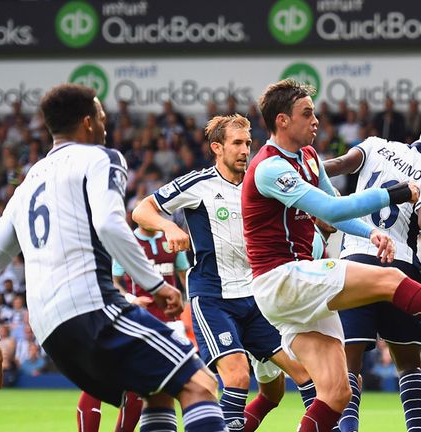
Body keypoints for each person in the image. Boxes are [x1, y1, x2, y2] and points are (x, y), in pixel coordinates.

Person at [242, 79, 421, 432]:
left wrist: (371, 231)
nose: (316, 120)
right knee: (392, 281)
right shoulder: (269, 167)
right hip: (281, 278)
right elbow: (330, 209)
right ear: (282, 121)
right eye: (307, 114)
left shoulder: (308, 157)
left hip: (299, 286)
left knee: (336, 393)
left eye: (315, 113)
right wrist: (393, 194)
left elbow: (336, 206)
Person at [0, 84, 226, 432]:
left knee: (156, 391)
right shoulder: (100, 157)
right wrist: (155, 285)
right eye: (100, 114)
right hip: (93, 311)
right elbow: (110, 224)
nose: (105, 121)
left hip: (52, 333)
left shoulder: (26, 185)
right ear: (87, 122)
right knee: (199, 382)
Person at [132, 113, 315, 432]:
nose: (245, 150)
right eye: (237, 143)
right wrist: (167, 227)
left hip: (256, 297)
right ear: (217, 147)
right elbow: (141, 210)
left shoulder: (258, 183)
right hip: (213, 297)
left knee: (305, 374)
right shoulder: (197, 184)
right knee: (237, 376)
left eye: (248, 143)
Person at [322, 107, 421, 431]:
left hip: (355, 263)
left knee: (350, 362)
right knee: (408, 364)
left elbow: (333, 167)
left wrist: (302, 184)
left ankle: (348, 428)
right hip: (399, 269)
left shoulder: (375, 145)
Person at [76, 226, 191, 432]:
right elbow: (113, 282)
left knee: (148, 390)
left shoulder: (170, 238)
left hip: (167, 324)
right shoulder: (124, 240)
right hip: (130, 321)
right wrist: (131, 299)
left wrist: (191, 305)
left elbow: (184, 276)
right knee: (97, 381)